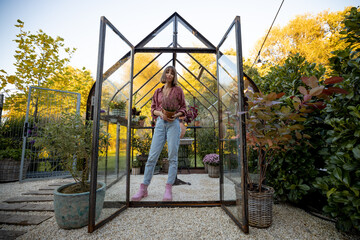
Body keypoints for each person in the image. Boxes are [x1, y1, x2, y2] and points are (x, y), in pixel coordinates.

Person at [131, 66, 186, 201]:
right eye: (167, 72)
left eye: (172, 73)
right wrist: (161, 113)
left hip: (173, 124)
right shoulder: (158, 91)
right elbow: (153, 109)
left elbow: (184, 108)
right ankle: (143, 188)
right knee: (152, 157)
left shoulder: (178, 90)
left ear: (174, 76)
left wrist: (176, 115)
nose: (169, 75)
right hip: (160, 124)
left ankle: (168, 188)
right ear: (164, 74)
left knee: (172, 156)